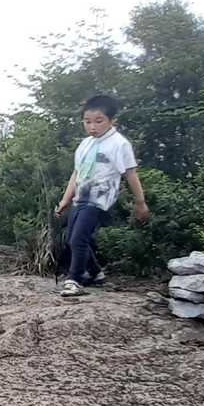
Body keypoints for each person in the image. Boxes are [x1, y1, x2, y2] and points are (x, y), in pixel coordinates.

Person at [54, 94, 149, 297]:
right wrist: (65, 199)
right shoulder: (85, 144)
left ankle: (74, 279)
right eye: (87, 121)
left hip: (100, 198)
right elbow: (77, 173)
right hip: (81, 196)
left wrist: (140, 203)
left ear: (112, 120)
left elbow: (130, 174)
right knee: (71, 239)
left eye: (99, 121)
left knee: (79, 238)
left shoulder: (119, 144)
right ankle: (96, 273)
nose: (92, 127)